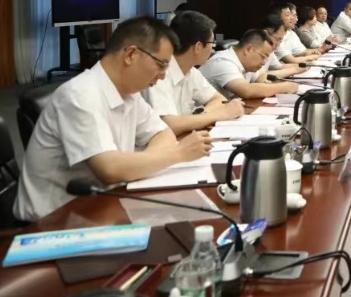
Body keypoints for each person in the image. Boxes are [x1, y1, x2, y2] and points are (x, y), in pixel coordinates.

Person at [14, 16, 212, 221]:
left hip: (99, 207)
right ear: (131, 54)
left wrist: (144, 162)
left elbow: (164, 134)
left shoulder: (130, 93)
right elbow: (110, 169)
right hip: (51, 223)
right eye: (161, 65)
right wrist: (177, 154)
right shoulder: (80, 95)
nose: (163, 76)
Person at [143, 11, 245, 133]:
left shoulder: (191, 71)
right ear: (198, 47)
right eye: (212, 43)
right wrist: (219, 114)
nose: (212, 48)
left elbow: (218, 99)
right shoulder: (158, 74)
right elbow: (169, 125)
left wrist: (203, 116)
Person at [199, 29, 299, 99]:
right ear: (248, 49)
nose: (264, 62)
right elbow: (246, 90)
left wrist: (263, 85)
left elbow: (261, 76)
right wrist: (283, 87)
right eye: (263, 56)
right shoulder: (223, 62)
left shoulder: (247, 64)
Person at [257, 13, 310, 80]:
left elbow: (280, 66)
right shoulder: (255, 50)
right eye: (277, 39)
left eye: (281, 41)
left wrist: (305, 65)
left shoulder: (270, 51)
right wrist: (295, 70)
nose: (278, 44)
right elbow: (260, 77)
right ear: (266, 34)